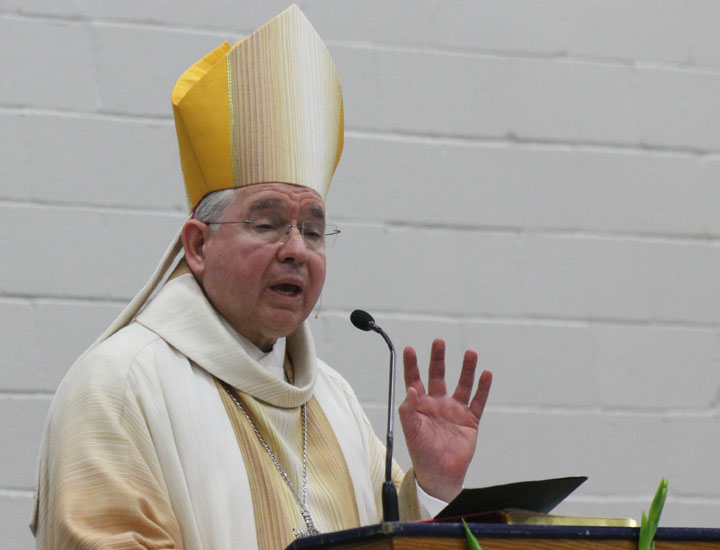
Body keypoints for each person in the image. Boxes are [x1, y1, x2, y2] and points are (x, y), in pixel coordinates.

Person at [31, 5, 492, 549]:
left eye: (314, 231)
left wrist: (434, 485)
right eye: (269, 223)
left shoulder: (333, 400)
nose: (297, 250)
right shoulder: (120, 385)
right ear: (198, 246)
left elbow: (394, 538)